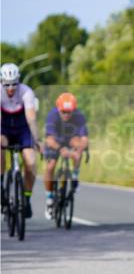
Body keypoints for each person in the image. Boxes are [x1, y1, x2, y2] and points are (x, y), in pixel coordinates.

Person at [0, 63, 40, 218]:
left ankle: (26, 198)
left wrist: (37, 139)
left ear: (19, 81)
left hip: (22, 128)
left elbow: (31, 118)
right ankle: (1, 185)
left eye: (14, 84)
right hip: (4, 128)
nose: (11, 88)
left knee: (31, 163)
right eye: (7, 84)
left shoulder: (26, 92)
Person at [43, 92, 89, 220]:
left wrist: (80, 148)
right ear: (58, 109)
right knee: (50, 166)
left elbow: (84, 138)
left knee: (78, 147)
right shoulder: (52, 116)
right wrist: (60, 149)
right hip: (56, 141)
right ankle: (49, 198)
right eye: (63, 112)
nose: (66, 115)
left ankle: (74, 176)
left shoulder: (79, 116)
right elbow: (49, 139)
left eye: (69, 112)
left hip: (70, 139)